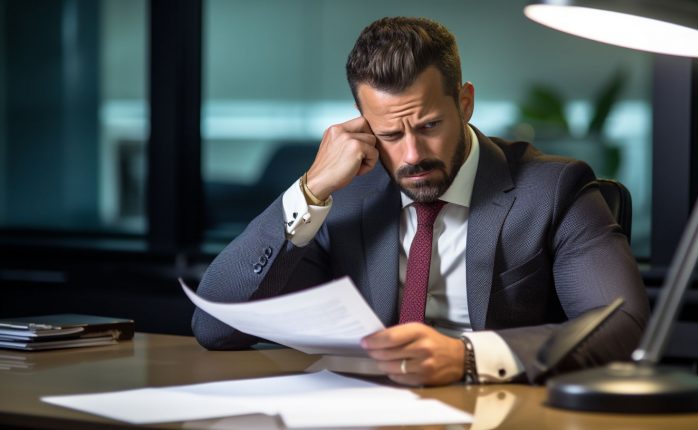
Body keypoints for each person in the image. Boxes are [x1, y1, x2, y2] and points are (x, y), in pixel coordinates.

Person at [192, 16, 649, 386]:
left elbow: (623, 326)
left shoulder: (554, 190)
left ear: (465, 103)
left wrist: (467, 356)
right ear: (364, 124)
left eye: (429, 125)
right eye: (390, 134)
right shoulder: (347, 199)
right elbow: (215, 328)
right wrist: (309, 189)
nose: (412, 156)